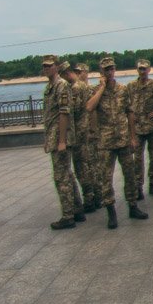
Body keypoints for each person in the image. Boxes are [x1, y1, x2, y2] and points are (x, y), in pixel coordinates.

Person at [87, 56, 146, 226]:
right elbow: (89, 107)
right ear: (101, 71)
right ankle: (111, 212)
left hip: (123, 139)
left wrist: (133, 136)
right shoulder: (96, 90)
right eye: (106, 69)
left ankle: (133, 206)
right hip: (105, 142)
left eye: (112, 68)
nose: (110, 72)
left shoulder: (123, 89)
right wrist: (101, 88)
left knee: (130, 174)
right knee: (106, 178)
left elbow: (130, 113)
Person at [41, 55, 83, 229]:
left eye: (49, 66)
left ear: (57, 67)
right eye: (44, 66)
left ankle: (68, 215)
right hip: (54, 136)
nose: (46, 68)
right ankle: (77, 209)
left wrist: (62, 141)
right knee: (67, 174)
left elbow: (64, 113)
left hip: (60, 138)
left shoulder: (61, 85)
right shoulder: (50, 87)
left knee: (61, 177)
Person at [62, 61, 98, 213]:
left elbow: (73, 110)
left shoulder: (75, 88)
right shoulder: (85, 87)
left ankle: (89, 199)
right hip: (86, 131)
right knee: (90, 165)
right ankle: (97, 195)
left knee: (81, 167)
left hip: (79, 133)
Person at [126, 58, 153, 198]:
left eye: (144, 69)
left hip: (152, 127)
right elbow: (125, 103)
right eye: (140, 69)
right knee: (137, 158)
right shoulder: (131, 86)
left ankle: (152, 183)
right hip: (137, 128)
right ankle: (138, 186)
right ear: (137, 70)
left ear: (149, 70)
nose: (142, 71)